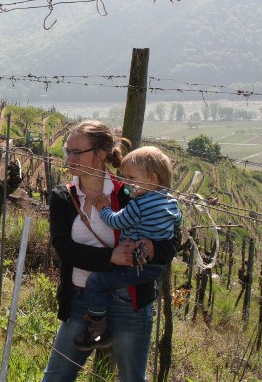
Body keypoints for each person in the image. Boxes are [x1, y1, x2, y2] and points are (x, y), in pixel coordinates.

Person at [41, 121, 179, 382]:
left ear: (100, 155)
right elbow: (64, 249)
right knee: (55, 378)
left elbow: (170, 235)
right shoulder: (63, 196)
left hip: (129, 300)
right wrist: (110, 258)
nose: (68, 158)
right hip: (80, 299)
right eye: (66, 151)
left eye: (76, 152)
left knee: (131, 378)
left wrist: (153, 248)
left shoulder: (130, 192)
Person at [74, 146, 183, 351]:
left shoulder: (139, 204)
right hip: (155, 267)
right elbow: (178, 223)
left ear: (152, 178)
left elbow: (116, 222)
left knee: (97, 282)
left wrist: (103, 208)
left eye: (131, 178)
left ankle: (97, 328)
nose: (126, 184)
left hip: (135, 265)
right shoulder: (171, 201)